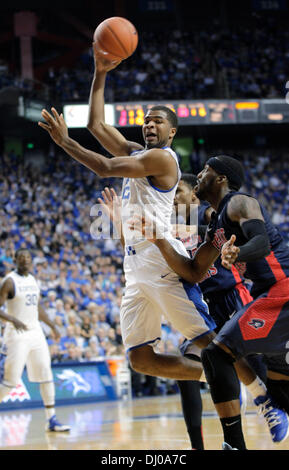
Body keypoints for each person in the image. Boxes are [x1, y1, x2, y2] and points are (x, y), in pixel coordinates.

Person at [138, 155, 289, 449]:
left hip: (281, 289)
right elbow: (194, 271)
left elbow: (260, 241)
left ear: (221, 179)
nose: (200, 174)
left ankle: (233, 444)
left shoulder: (239, 202)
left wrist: (238, 254)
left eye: (206, 170)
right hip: (263, 295)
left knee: (216, 354)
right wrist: (159, 241)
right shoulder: (216, 224)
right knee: (278, 381)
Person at [175, 174, 266, 450]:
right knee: (186, 365)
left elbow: (218, 215)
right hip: (205, 308)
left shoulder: (204, 214)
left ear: (193, 196)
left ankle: (269, 404)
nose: (173, 197)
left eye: (178, 191)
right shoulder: (169, 228)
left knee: (260, 364)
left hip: (232, 297)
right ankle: (198, 445)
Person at [0, 248, 70, 432]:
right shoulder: (9, 281)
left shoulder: (33, 280)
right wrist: (13, 319)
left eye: (28, 258)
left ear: (32, 261)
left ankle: (52, 420)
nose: (25, 261)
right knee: (10, 382)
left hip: (35, 332)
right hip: (16, 334)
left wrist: (53, 326)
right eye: (21, 258)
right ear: (14, 260)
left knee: (46, 375)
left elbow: (37, 307)